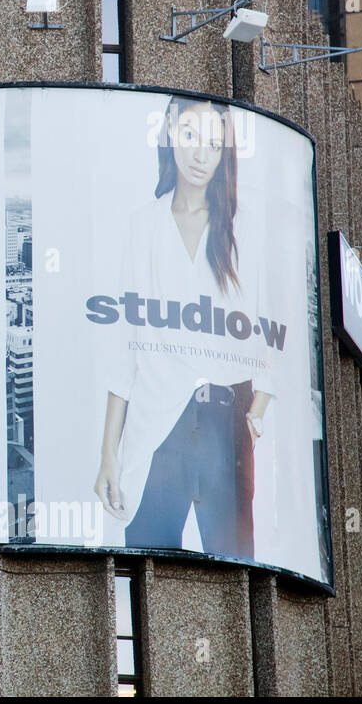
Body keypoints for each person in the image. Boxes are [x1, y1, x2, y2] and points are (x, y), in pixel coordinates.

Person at [92, 95, 274, 558]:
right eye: (191, 137)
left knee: (238, 570)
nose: (200, 155)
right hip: (157, 427)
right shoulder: (143, 227)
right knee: (148, 565)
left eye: (213, 144)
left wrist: (257, 408)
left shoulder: (244, 228)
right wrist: (108, 453)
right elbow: (123, 351)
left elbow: (271, 328)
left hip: (225, 422)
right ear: (170, 128)